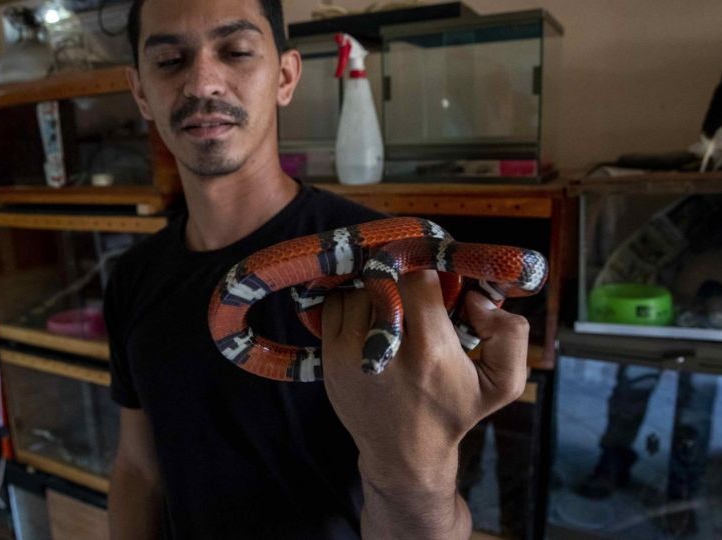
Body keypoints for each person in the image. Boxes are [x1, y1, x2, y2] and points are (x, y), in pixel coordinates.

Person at [103, 0, 530, 538]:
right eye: (168, 60)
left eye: (235, 51)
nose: (202, 82)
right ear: (139, 90)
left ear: (285, 76)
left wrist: (413, 477)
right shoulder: (132, 276)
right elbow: (138, 468)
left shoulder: (393, 264)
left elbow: (438, 517)